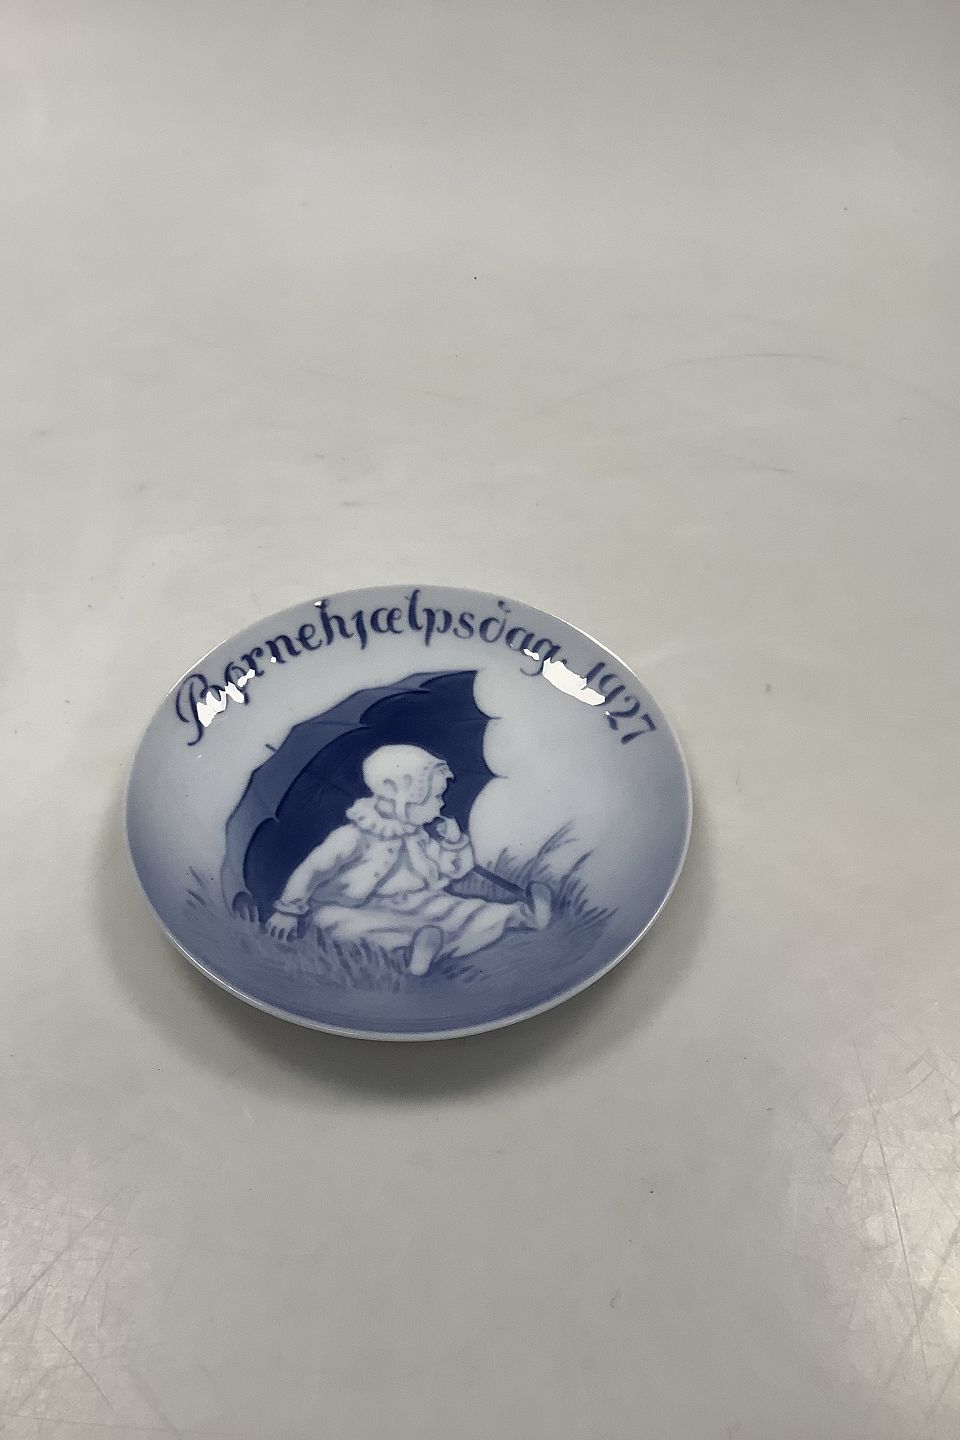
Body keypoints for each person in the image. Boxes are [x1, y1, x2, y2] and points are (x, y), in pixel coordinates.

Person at [265, 744, 551, 975]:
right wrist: (288, 910)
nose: (442, 803)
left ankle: (520, 915)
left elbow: (448, 870)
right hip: (349, 907)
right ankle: (416, 951)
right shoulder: (352, 836)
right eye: (434, 796)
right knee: (360, 927)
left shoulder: (417, 834)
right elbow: (312, 870)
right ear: (400, 794)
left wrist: (453, 843)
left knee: (454, 909)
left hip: (415, 900)